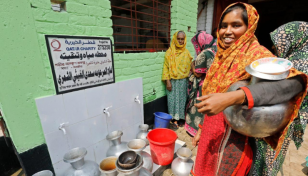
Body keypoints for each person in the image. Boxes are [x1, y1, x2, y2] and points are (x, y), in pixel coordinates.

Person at [191, 3, 307, 176]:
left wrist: (232, 98)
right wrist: (201, 128)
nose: (227, 31)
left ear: (249, 26)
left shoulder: (258, 55)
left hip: (235, 138)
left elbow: (293, 83)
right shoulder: (220, 56)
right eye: (223, 26)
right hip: (211, 132)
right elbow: (211, 95)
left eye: (236, 25)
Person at [185, 31, 217, 136]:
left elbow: (198, 73)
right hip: (216, 85)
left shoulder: (206, 53)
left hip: (204, 85)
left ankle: (194, 131)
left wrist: (192, 64)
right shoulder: (217, 48)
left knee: (197, 107)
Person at [162, 31, 192, 129]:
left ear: (184, 40)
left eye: (182, 39)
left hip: (183, 81)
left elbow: (190, 66)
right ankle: (172, 119)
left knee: (182, 100)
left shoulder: (186, 53)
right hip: (172, 81)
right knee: (172, 100)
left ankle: (180, 119)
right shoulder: (169, 52)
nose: (180, 41)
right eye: (178, 39)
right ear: (175, 39)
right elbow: (166, 67)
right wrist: (167, 81)